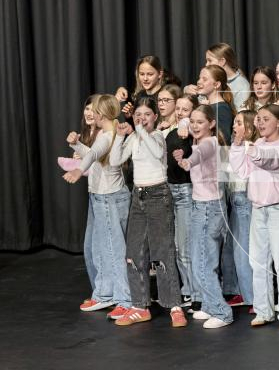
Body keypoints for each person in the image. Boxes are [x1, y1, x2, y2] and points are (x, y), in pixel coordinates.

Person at [109, 97, 186, 327]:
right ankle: (139, 305)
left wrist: (139, 130)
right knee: (134, 251)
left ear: (155, 117)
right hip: (138, 197)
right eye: (138, 115)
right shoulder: (134, 137)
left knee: (163, 251)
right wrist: (122, 135)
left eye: (146, 114)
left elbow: (154, 153)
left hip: (158, 195)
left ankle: (174, 305)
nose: (142, 118)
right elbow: (115, 161)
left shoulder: (158, 137)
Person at [229, 104, 279, 330]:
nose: (259, 122)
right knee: (258, 262)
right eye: (258, 119)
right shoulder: (256, 144)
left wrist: (251, 150)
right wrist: (238, 145)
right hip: (259, 208)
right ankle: (263, 310)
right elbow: (243, 170)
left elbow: (270, 160)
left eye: (265, 118)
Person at [63, 95, 131, 320]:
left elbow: (93, 154)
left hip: (109, 198)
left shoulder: (109, 134)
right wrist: (76, 145)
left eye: (95, 111)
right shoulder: (105, 133)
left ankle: (124, 299)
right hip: (104, 197)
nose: (92, 114)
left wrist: (76, 170)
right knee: (102, 248)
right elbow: (93, 154)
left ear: (102, 114)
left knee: (113, 251)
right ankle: (105, 293)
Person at [176, 105, 232, 329]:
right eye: (193, 122)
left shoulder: (208, 144)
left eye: (201, 122)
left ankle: (221, 311)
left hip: (209, 208)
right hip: (203, 206)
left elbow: (198, 156)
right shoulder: (201, 140)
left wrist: (187, 161)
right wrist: (185, 124)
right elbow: (183, 123)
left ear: (212, 124)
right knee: (202, 259)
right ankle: (209, 304)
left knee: (202, 262)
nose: (195, 126)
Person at [57, 95, 101, 298]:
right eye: (87, 109)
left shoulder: (104, 134)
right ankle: (99, 292)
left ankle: (105, 293)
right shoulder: (86, 133)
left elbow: (100, 161)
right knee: (90, 248)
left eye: (94, 109)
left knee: (99, 248)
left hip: (106, 195)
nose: (89, 113)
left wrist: (81, 153)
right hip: (95, 194)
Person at [164, 94, 199, 309]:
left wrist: (186, 121)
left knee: (185, 248)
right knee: (177, 247)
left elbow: (190, 127)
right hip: (170, 189)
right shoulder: (170, 130)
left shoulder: (189, 130)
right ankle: (187, 290)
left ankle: (195, 293)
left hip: (186, 191)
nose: (179, 112)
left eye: (185, 109)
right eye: (178, 108)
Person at [224, 110, 259, 312]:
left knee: (243, 251)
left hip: (244, 198)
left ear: (249, 128)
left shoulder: (250, 147)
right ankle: (244, 292)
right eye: (234, 122)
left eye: (238, 123)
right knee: (236, 250)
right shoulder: (238, 146)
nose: (234, 127)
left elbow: (241, 172)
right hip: (235, 198)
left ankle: (253, 297)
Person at [194, 65, 236, 143]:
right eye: (199, 78)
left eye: (204, 79)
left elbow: (223, 139)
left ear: (216, 84)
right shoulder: (207, 106)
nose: (199, 82)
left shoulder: (221, 109)